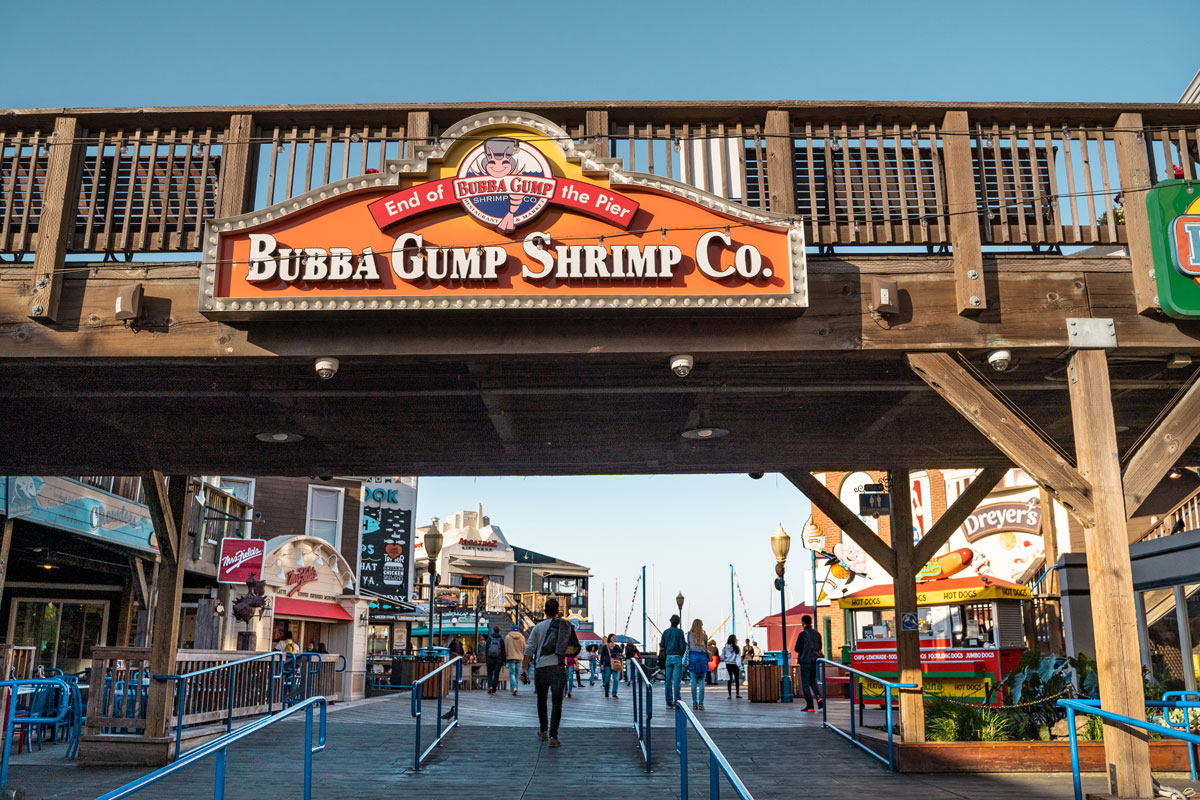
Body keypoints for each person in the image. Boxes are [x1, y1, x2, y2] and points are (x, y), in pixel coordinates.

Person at [521, 596, 579, 748]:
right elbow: (573, 648)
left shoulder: (537, 628)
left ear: (545, 612)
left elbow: (529, 649)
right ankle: (554, 736)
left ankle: (543, 730)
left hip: (541, 668)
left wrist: (524, 668)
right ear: (557, 611)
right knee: (557, 703)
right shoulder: (565, 626)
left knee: (541, 700)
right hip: (559, 667)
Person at [794, 615, 824, 712]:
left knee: (806, 684)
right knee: (812, 681)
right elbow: (819, 647)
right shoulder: (817, 634)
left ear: (803, 622)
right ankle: (819, 697)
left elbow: (797, 648)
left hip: (805, 661)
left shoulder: (802, 634)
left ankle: (810, 706)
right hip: (815, 661)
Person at [659, 615, 687, 709]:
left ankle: (668, 702)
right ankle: (677, 700)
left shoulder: (666, 632)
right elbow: (683, 646)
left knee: (668, 681)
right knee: (676, 681)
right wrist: (680, 653)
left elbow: (662, 644)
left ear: (670, 621)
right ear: (678, 622)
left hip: (668, 657)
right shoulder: (680, 632)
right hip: (677, 656)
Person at [686, 619, 709, 710]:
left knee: (693, 682)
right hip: (703, 657)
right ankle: (701, 703)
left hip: (693, 658)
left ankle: (694, 703)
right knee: (702, 682)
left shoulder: (690, 634)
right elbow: (706, 646)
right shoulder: (704, 634)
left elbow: (688, 645)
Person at [504, 624, 527, 695]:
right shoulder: (522, 637)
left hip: (511, 657)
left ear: (512, 629)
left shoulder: (508, 637)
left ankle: (514, 687)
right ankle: (516, 687)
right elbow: (524, 648)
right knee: (517, 674)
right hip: (519, 657)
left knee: (512, 673)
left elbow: (506, 648)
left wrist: (507, 656)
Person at [484, 625, 506, 695]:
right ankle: (494, 690)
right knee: (496, 674)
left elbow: (486, 648)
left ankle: (490, 686)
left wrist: (486, 658)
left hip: (490, 659)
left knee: (490, 673)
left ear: (493, 630)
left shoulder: (489, 638)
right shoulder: (501, 639)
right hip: (498, 659)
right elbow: (503, 651)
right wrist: (504, 660)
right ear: (499, 631)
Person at [599, 634, 622, 698]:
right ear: (610, 638)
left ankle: (614, 693)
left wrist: (616, 646)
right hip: (607, 665)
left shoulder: (616, 646)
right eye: (613, 637)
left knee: (616, 679)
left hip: (615, 665)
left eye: (615, 638)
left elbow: (621, 651)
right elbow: (602, 656)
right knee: (607, 680)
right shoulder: (605, 647)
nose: (614, 639)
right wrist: (601, 664)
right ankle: (606, 691)